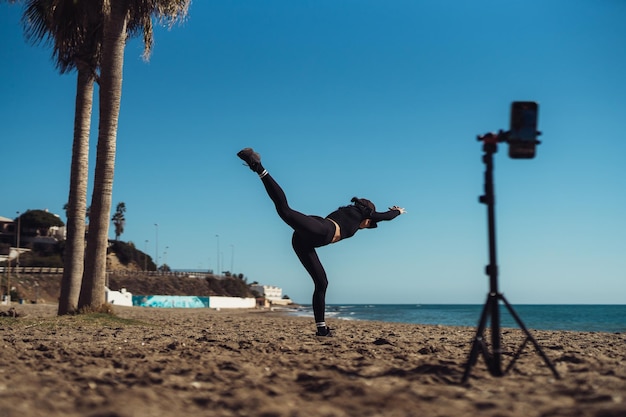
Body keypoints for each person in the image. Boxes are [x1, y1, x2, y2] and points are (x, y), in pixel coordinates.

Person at [237, 148, 406, 336]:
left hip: (305, 240)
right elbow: (385, 216)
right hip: (321, 231)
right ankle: (258, 166)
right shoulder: (361, 212)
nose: (369, 225)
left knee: (322, 282)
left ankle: (322, 329)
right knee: (284, 210)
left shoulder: (348, 215)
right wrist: (398, 211)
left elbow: (374, 221)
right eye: (370, 222)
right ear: (367, 213)